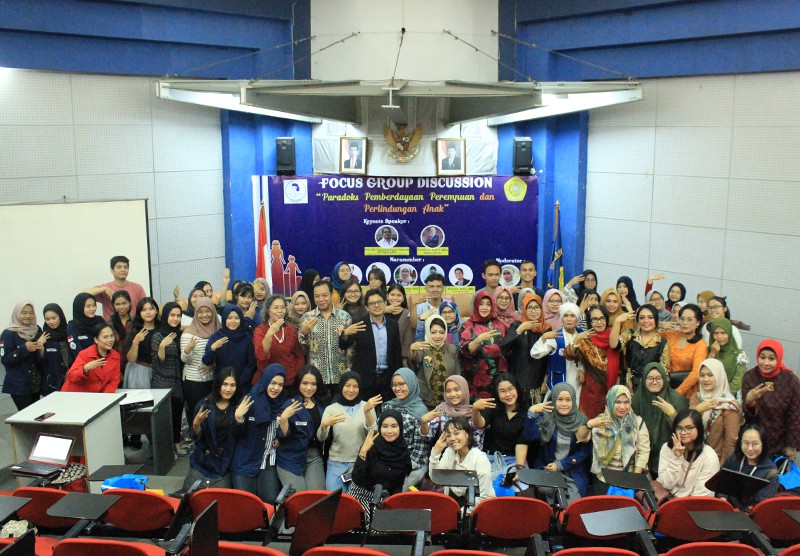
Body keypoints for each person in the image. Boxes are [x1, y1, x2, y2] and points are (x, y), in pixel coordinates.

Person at [184, 368, 251, 490]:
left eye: (232, 385)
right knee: (190, 494)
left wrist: (239, 418)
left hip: (227, 461)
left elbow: (241, 436)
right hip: (204, 459)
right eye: (225, 384)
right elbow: (198, 438)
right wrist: (195, 424)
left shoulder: (239, 407)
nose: (228, 389)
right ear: (218, 384)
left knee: (219, 498)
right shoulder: (205, 405)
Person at [524, 383, 591, 501]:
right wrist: (532, 413)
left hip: (572, 469)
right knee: (545, 490)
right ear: (554, 399)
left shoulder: (582, 420)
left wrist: (561, 465)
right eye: (560, 399)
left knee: (573, 504)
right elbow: (530, 437)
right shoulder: (546, 417)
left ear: (573, 400)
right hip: (547, 467)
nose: (564, 404)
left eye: (568, 400)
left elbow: (585, 451)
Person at [578, 385, 650, 494]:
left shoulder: (638, 422)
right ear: (610, 402)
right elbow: (580, 437)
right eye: (618, 402)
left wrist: (635, 479)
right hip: (604, 477)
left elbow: (643, 452)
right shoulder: (600, 421)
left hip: (629, 476)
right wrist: (589, 425)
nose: (622, 407)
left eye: (626, 402)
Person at [231, 364, 286, 502]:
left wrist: (279, 436)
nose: (276, 388)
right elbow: (235, 435)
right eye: (273, 383)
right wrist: (238, 418)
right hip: (245, 459)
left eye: (280, 384)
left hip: (267, 459)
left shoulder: (283, 402)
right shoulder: (249, 400)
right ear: (265, 380)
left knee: (270, 499)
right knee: (245, 502)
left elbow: (283, 429)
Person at [317, 371, 379, 493]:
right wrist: (324, 425)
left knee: (355, 503)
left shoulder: (367, 406)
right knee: (334, 500)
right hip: (336, 463)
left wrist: (367, 412)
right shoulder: (331, 409)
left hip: (360, 463)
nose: (351, 390)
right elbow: (321, 437)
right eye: (347, 385)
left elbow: (374, 434)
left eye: (355, 386)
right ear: (341, 387)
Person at [741, 339, 800, 462]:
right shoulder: (750, 377)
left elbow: (795, 415)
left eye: (771, 358)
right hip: (753, 442)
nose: (766, 363)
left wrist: (791, 445)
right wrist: (749, 402)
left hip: (780, 443)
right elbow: (746, 417)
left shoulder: (791, 381)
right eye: (762, 357)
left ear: (778, 358)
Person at [339, 288, 402, 401]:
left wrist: (398, 377)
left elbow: (397, 354)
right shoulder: (359, 323)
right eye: (372, 303)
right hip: (365, 380)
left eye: (379, 302)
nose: (376, 305)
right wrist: (345, 334)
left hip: (387, 379)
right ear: (367, 307)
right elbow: (343, 346)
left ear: (385, 303)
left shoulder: (393, 325)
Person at [275, 365, 327, 492]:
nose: (309, 388)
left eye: (313, 384)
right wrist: (284, 419)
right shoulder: (289, 404)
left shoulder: (322, 404)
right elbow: (283, 434)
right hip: (290, 458)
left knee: (316, 496)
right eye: (305, 383)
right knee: (299, 496)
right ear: (298, 383)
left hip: (314, 456)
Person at [350, 409, 412, 515]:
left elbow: (398, 485)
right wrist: (363, 452)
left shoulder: (402, 450)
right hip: (362, 495)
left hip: (385, 498)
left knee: (398, 524)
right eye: (385, 426)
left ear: (400, 428)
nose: (389, 431)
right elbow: (357, 479)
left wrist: (393, 507)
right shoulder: (371, 446)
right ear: (380, 428)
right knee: (377, 527)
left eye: (394, 426)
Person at [632, 362, 688, 475]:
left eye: (658, 378)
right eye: (650, 378)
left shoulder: (677, 400)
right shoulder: (636, 400)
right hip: (640, 458)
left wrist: (671, 413)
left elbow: (685, 431)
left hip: (671, 457)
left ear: (664, 379)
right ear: (643, 380)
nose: (654, 382)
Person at [472, 373, 530, 478]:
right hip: (491, 457)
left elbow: (522, 442)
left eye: (511, 389)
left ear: (517, 389)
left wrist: (519, 468)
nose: (508, 394)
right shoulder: (493, 407)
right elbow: (480, 424)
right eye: (502, 391)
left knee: (519, 485)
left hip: (515, 459)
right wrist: (475, 410)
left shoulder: (526, 412)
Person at [429, 417, 495, 507]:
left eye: (456, 433)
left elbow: (484, 497)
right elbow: (435, 477)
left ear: (467, 434)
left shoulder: (480, 458)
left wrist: (459, 515)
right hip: (456, 505)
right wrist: (435, 452)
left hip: (480, 508)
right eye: (448, 435)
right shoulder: (449, 452)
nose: (452, 438)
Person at [566, 304, 616, 419]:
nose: (599, 322)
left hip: (611, 391)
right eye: (594, 319)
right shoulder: (585, 340)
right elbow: (568, 354)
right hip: (591, 392)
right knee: (588, 426)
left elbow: (621, 367)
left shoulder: (613, 338)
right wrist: (577, 338)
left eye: (602, 318)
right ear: (589, 321)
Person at [299, 280, 352, 387]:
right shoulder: (307, 318)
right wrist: (303, 334)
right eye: (317, 296)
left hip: (341, 377)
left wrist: (349, 373)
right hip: (316, 379)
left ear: (331, 294)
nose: (321, 299)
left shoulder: (344, 317)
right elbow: (302, 350)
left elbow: (350, 349)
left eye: (324, 295)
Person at [657, 409, 720, 498]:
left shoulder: (709, 456)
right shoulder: (667, 448)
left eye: (689, 428)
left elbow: (702, 496)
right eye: (679, 428)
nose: (683, 432)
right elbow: (667, 484)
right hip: (666, 499)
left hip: (693, 505)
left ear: (699, 428)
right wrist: (676, 457)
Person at [382, 368, 429, 489]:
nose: (397, 389)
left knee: (398, 492)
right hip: (388, 460)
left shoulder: (421, 411)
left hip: (412, 465)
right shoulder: (388, 406)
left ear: (411, 383)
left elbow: (421, 447)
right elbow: (380, 436)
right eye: (394, 385)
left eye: (402, 384)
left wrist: (402, 466)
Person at [689, 359, 742, 463]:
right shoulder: (696, 398)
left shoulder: (729, 405)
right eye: (702, 375)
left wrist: (721, 468)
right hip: (692, 456)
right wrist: (697, 410)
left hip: (716, 460)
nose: (705, 379)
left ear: (719, 376)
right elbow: (686, 426)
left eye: (710, 375)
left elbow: (730, 442)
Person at [501, 292, 550, 404]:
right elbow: (504, 347)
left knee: (535, 416)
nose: (533, 311)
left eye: (537, 307)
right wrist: (519, 330)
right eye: (530, 308)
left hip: (538, 381)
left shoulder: (546, 328)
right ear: (524, 310)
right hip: (518, 380)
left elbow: (549, 357)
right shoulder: (517, 325)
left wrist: (545, 380)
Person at [151, 302, 187, 456]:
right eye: (172, 315)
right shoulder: (158, 335)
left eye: (178, 315)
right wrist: (162, 347)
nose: (175, 318)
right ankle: (165, 449)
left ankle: (177, 443)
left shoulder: (180, 334)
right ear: (165, 316)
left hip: (178, 381)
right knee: (165, 416)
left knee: (177, 413)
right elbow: (158, 361)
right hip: (163, 382)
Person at [180, 297, 220, 434]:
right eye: (200, 312)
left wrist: (213, 365)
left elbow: (222, 354)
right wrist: (188, 349)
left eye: (208, 311)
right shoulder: (189, 333)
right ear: (195, 314)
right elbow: (184, 359)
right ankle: (197, 441)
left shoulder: (218, 329)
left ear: (213, 312)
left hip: (213, 379)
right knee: (197, 412)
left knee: (212, 412)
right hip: (194, 381)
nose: (204, 315)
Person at [530, 303, 583, 403]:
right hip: (560, 382)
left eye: (572, 316)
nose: (569, 319)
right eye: (566, 316)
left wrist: (582, 370)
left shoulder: (582, 334)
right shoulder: (556, 336)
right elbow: (535, 354)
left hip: (579, 382)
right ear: (561, 319)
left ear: (577, 318)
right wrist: (543, 337)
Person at [610, 304, 670, 392]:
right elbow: (614, 345)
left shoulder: (662, 343)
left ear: (656, 320)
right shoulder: (629, 334)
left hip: (651, 388)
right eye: (642, 318)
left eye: (650, 317)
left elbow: (664, 372)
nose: (646, 321)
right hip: (628, 385)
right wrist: (617, 321)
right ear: (637, 320)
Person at [460, 291, 507, 399]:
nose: (485, 307)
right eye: (481, 304)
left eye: (488, 304)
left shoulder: (499, 325)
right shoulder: (467, 326)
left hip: (498, 378)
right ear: (476, 305)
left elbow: (507, 349)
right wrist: (478, 340)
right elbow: (465, 351)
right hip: (476, 380)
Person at [721, 424, 779, 507]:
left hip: (750, 515)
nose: (750, 448)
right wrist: (723, 499)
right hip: (727, 510)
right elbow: (721, 484)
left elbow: (761, 505)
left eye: (755, 444)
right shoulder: (733, 458)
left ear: (763, 444)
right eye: (746, 443)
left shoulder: (771, 473)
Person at [420, 375, 483, 448]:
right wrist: (423, 422)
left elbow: (478, 443)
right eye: (448, 391)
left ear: (464, 390)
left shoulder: (474, 411)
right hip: (444, 456)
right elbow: (426, 437)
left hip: (468, 456)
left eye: (456, 390)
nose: (452, 394)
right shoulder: (441, 409)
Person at [1, 302, 45, 409]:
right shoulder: (8, 334)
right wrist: (24, 349)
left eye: (31, 313)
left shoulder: (37, 330)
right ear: (17, 314)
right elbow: (5, 359)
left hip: (36, 383)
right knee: (26, 419)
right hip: (19, 386)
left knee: (36, 416)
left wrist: (41, 349)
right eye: (24, 313)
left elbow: (38, 359)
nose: (28, 316)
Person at [253, 295, 304, 387]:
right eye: (275, 308)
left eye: (283, 307)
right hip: (268, 381)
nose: (280, 311)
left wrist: (295, 374)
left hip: (290, 381)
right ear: (268, 310)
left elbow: (299, 356)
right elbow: (260, 356)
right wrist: (269, 335)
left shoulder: (290, 330)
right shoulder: (260, 330)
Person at [411, 315, 460, 409]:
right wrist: (412, 350)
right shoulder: (424, 347)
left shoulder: (451, 349)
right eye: (433, 332)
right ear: (428, 332)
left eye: (441, 332)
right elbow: (415, 360)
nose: (437, 336)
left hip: (448, 399)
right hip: (427, 399)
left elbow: (457, 373)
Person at [659, 303, 708, 396]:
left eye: (690, 319)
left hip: (687, 391)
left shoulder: (700, 344)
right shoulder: (671, 335)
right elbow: (648, 335)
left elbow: (696, 373)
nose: (685, 323)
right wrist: (660, 325)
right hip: (665, 385)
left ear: (698, 322)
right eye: (682, 319)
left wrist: (677, 392)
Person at [203, 305, 256, 386]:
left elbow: (251, 363)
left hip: (242, 384)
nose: (233, 321)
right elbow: (207, 361)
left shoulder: (247, 337)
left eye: (236, 318)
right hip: (221, 383)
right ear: (224, 319)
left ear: (241, 319)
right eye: (229, 318)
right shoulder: (216, 337)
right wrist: (213, 349)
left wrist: (239, 382)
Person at [83, 255, 148, 320]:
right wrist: (105, 289)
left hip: (133, 327)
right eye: (119, 267)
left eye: (125, 267)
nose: (123, 270)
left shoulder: (137, 288)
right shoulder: (106, 288)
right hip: (111, 328)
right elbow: (82, 294)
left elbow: (145, 307)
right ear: (112, 270)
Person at [62, 323, 121, 393]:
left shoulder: (116, 356)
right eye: (105, 337)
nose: (110, 340)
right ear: (96, 340)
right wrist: (85, 368)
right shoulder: (84, 354)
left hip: (97, 397)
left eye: (112, 336)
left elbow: (114, 381)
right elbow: (72, 376)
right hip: (76, 394)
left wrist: (105, 397)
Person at [124, 297, 160, 389]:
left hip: (159, 371)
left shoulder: (161, 330)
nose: (148, 312)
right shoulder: (135, 331)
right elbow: (131, 359)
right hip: (139, 371)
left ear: (156, 311)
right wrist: (135, 342)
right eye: (144, 310)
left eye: (151, 309)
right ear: (139, 313)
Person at [706, 317, 747, 395]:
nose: (719, 337)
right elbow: (703, 374)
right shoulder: (707, 351)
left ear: (729, 334)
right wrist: (712, 354)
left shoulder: (740, 355)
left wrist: (722, 397)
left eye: (723, 333)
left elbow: (737, 382)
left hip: (729, 398)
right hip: (707, 394)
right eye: (716, 333)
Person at [40, 303, 73, 396]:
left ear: (60, 317)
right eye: (47, 319)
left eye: (54, 318)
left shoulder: (69, 331)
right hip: (51, 382)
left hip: (71, 378)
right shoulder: (44, 336)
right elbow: (40, 363)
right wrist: (40, 347)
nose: (51, 322)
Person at [66, 293, 106, 359]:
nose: (92, 309)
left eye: (94, 305)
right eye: (88, 306)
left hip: (103, 361)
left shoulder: (100, 321)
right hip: (85, 364)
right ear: (80, 307)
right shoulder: (73, 326)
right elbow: (75, 350)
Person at [384, 283, 415, 366]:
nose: (395, 298)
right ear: (387, 296)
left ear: (403, 298)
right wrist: (383, 310)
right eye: (392, 295)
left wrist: (404, 360)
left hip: (399, 359)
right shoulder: (380, 313)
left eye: (399, 295)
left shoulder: (407, 315)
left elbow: (408, 341)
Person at [415, 272, 446, 341]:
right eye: (431, 286)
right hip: (424, 348)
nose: (435, 290)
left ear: (443, 288)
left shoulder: (450, 307)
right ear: (426, 288)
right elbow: (413, 330)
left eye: (438, 286)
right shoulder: (419, 308)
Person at [110, 290, 134, 358]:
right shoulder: (109, 324)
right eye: (117, 304)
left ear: (130, 303)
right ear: (113, 305)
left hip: (134, 360)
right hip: (115, 360)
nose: (121, 307)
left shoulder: (136, 322)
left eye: (124, 303)